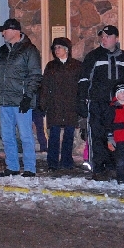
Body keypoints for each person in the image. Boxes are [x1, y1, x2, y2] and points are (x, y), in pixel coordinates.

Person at [77, 24, 124, 181]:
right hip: (97, 103)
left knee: (117, 136)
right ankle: (98, 168)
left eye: (108, 37)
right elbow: (84, 80)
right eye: (102, 37)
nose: (104, 39)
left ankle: (114, 167)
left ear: (116, 39)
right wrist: (82, 101)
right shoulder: (93, 56)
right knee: (97, 136)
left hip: (118, 105)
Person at [0, 18, 42, 178]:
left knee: (25, 135)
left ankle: (30, 168)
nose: (2, 33)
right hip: (4, 100)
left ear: (14, 31)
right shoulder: (3, 50)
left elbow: (35, 75)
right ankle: (12, 166)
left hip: (21, 101)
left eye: (4, 30)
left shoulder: (30, 50)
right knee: (7, 136)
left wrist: (28, 97)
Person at [40, 37, 81, 171]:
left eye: (59, 47)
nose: (57, 50)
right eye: (55, 48)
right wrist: (43, 103)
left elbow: (80, 86)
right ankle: (52, 162)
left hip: (70, 105)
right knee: (54, 134)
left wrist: (80, 103)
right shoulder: (51, 66)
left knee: (69, 134)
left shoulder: (76, 66)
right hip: (55, 105)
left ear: (67, 50)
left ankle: (66, 160)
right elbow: (45, 85)